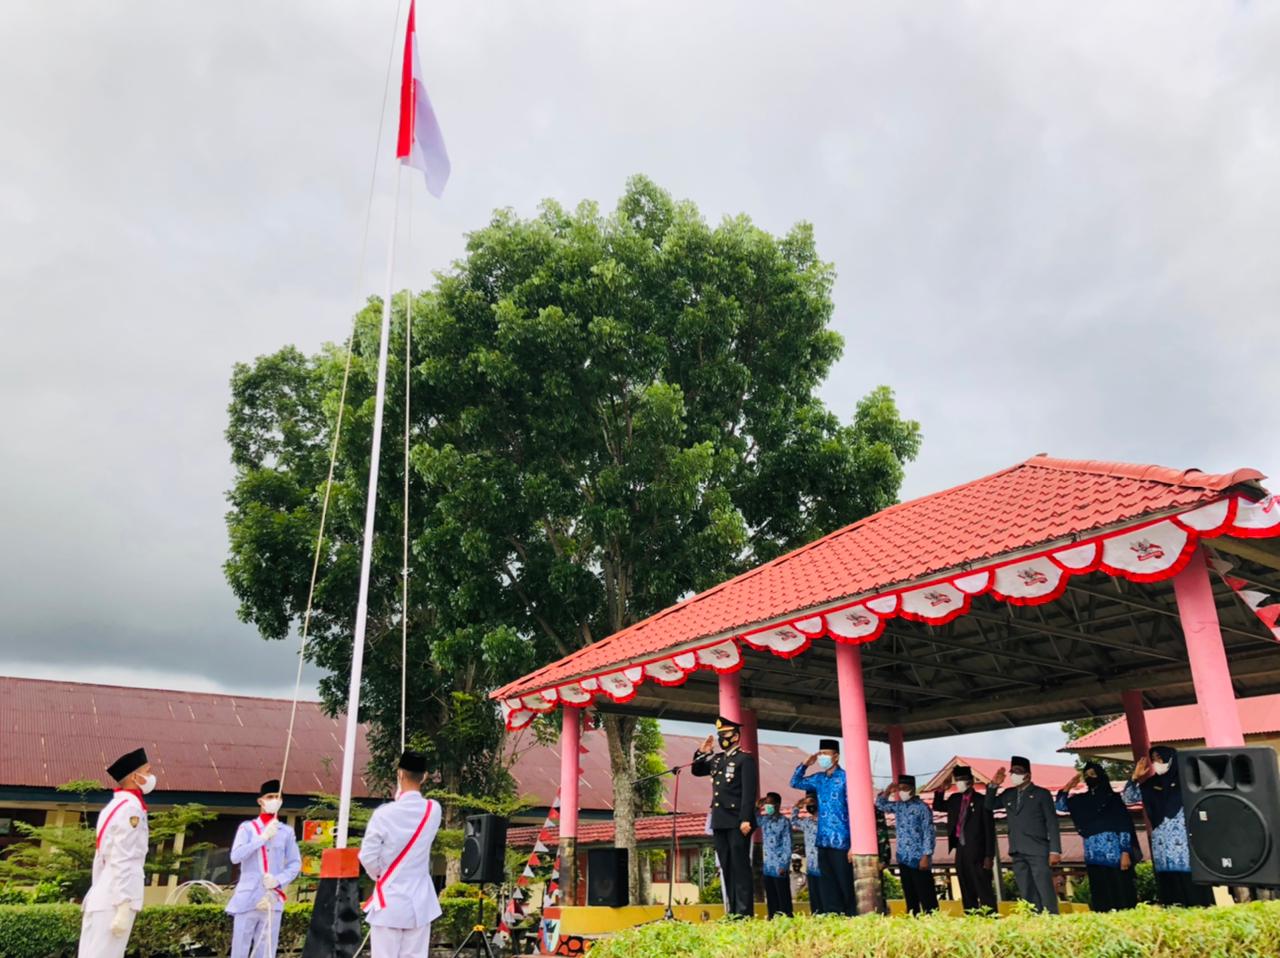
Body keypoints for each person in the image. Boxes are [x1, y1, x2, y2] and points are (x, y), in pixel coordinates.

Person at [359, 751, 444, 957]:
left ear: (399, 774)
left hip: (390, 901)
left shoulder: (384, 814)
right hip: (420, 903)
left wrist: (381, 875)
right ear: (424, 777)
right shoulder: (433, 809)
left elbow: (367, 856)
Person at [79, 747, 154, 958]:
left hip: (103, 894)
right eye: (147, 772)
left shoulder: (113, 805)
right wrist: (123, 902)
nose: (150, 777)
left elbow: (101, 859)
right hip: (116, 899)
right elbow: (124, 857)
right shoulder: (131, 808)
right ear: (134, 777)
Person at [1122, 746, 1214, 907]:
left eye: (1160, 758)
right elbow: (1128, 799)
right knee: (1171, 894)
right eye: (1154, 759)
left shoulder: (1188, 782)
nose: (1157, 762)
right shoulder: (1150, 784)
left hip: (1187, 848)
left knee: (1195, 894)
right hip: (1162, 848)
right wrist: (1135, 778)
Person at [227, 779, 302, 957]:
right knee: (240, 948)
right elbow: (235, 856)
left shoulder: (286, 832)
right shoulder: (247, 828)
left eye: (278, 797)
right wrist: (261, 838)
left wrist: (279, 879)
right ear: (261, 801)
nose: (274, 800)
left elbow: (295, 863)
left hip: (272, 897)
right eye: (270, 796)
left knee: (267, 949)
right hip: (248, 897)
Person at [692, 716, 758, 918]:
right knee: (727, 867)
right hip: (720, 820)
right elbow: (696, 770)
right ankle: (733, 911)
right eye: (720, 735)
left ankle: (744, 913)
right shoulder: (718, 759)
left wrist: (746, 818)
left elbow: (749, 791)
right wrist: (702, 752)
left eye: (726, 735)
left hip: (738, 820)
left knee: (740, 866)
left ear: (736, 736)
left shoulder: (745, 759)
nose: (723, 739)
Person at [1055, 763, 1140, 912]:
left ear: (1101, 775)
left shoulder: (1112, 798)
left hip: (1114, 853)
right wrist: (1068, 787)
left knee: (1120, 890)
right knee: (1100, 893)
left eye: (1093, 774)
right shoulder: (1081, 800)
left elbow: (1123, 825)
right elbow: (1060, 806)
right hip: (1093, 854)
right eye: (1087, 775)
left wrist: (1125, 852)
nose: (1090, 778)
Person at [988, 755, 1061, 914]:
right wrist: (993, 785)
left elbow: (1052, 822)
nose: (1014, 775)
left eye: (1018, 771)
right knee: (1026, 889)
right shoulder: (1008, 794)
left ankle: (1053, 919)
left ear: (1028, 774)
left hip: (1038, 849)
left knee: (1044, 888)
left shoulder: (1041, 794)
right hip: (1017, 849)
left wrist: (1055, 850)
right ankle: (1034, 920)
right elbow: (989, 805)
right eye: (1012, 771)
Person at [790, 738, 855, 916]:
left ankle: (851, 918)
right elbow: (794, 782)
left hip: (842, 841)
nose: (822, 757)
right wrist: (805, 764)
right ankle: (833, 917)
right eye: (820, 754)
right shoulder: (818, 779)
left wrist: (854, 844)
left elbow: (855, 811)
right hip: (823, 840)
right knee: (828, 885)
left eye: (826, 753)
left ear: (836, 756)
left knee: (845, 883)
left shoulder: (846, 778)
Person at [933, 764, 997, 912]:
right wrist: (942, 789)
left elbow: (989, 829)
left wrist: (989, 855)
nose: (960, 782)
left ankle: (991, 917)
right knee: (965, 884)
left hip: (979, 851)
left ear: (971, 781)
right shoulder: (954, 799)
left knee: (983, 886)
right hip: (960, 848)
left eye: (963, 779)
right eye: (958, 779)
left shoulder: (982, 800)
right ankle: (971, 915)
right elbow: (937, 806)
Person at [875, 774, 938, 914]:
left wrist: (926, 855)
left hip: (919, 858)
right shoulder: (899, 806)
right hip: (903, 857)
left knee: (926, 895)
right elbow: (880, 804)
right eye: (900, 788)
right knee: (910, 895)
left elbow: (928, 832)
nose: (902, 791)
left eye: (905, 788)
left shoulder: (922, 808)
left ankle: (933, 920)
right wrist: (887, 791)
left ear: (912, 789)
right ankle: (913, 918)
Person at [756, 793, 793, 918]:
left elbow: (787, 844)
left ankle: (787, 919)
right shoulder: (765, 820)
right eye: (765, 803)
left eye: (769, 803)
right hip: (768, 866)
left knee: (782, 896)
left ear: (777, 805)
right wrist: (757, 807)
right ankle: (772, 919)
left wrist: (784, 864)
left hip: (779, 866)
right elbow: (753, 819)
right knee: (771, 897)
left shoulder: (784, 821)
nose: (767, 806)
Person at [790, 795, 824, 915]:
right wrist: (797, 806)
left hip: (824, 862)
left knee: (825, 890)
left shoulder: (826, 820)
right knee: (814, 893)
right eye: (808, 804)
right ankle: (816, 913)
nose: (810, 807)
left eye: (812, 803)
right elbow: (793, 820)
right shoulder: (806, 822)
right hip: (811, 864)